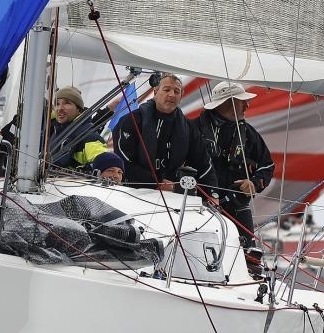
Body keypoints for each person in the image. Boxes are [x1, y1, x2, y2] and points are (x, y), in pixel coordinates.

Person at [194, 79, 275, 271]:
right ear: (227, 103)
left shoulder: (248, 134)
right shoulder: (193, 129)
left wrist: (254, 183)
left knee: (250, 259)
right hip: (198, 204)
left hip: (236, 204)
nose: (247, 105)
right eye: (242, 101)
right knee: (196, 253)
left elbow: (267, 165)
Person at [115, 73, 211, 191]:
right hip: (133, 190)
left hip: (172, 193)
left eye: (176, 91)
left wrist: (212, 194)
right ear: (155, 92)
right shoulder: (132, 120)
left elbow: (203, 163)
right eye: (166, 90)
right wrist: (156, 182)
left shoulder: (189, 128)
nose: (172, 95)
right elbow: (122, 160)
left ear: (181, 96)